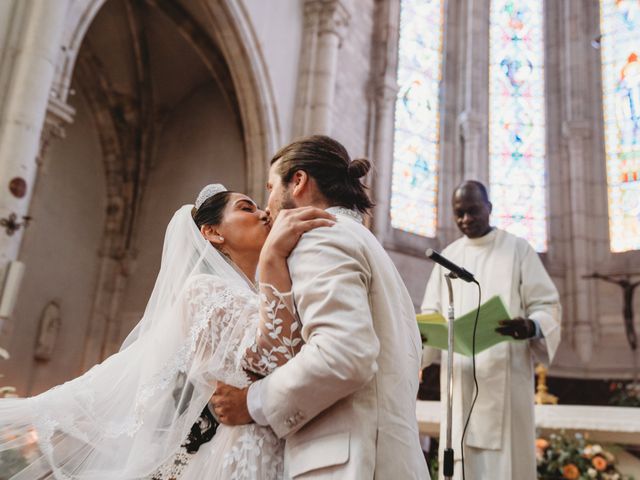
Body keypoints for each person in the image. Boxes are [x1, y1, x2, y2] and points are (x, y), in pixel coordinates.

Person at [0, 184, 334, 479]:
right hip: (246, 450)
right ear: (213, 233)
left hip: (286, 444)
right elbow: (271, 357)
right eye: (247, 208)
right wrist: (276, 256)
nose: (264, 214)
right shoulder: (205, 290)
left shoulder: (264, 293)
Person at [212, 135, 429, 479]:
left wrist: (252, 402)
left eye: (270, 187)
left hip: (351, 464)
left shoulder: (320, 236)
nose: (267, 208)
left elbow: (345, 353)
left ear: (297, 181)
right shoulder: (367, 244)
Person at [420, 180, 561, 479]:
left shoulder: (518, 250)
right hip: (460, 382)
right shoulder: (448, 256)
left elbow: (547, 305)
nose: (466, 220)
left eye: (473, 211)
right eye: (459, 213)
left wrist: (532, 326)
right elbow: (431, 314)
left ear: (490, 209)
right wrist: (422, 341)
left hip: (507, 379)